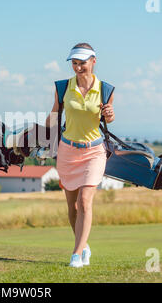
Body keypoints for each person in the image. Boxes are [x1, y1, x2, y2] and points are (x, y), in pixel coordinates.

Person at [45, 43, 115, 268]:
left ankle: (76, 254)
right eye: (74, 63)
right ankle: (83, 245)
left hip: (94, 151)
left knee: (85, 201)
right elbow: (54, 116)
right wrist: (39, 133)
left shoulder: (106, 89)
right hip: (67, 151)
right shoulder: (63, 87)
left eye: (82, 62)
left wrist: (110, 114)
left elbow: (108, 119)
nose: (77, 67)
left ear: (93, 61)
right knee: (72, 207)